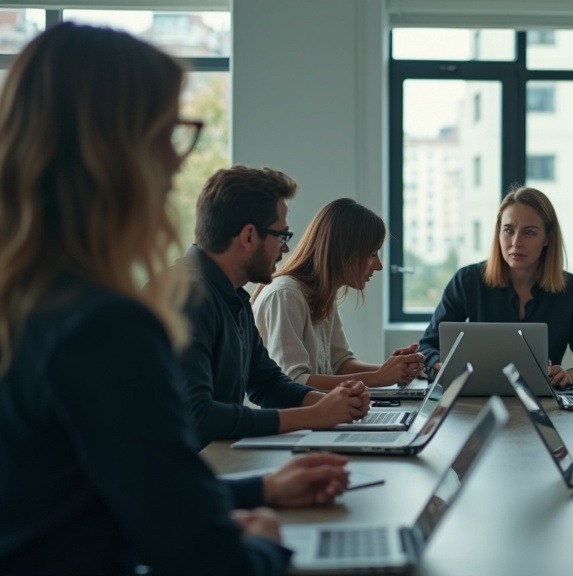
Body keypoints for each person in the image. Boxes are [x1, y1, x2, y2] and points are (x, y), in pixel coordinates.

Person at [0, 23, 351, 575]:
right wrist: (264, 539)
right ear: (111, 154)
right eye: (168, 133)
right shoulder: (105, 324)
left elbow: (96, 505)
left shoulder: (30, 301)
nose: (177, 160)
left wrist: (259, 489)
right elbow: (206, 558)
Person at [175, 166, 370, 448]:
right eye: (282, 236)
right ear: (249, 236)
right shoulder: (188, 297)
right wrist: (312, 416)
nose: (286, 248)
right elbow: (199, 415)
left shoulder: (234, 296)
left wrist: (333, 403)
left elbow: (267, 383)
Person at [419, 186, 573, 386]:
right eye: (508, 230)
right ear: (498, 232)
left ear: (547, 238)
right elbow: (427, 347)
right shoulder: (468, 280)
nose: (516, 242)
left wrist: (569, 376)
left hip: (545, 404)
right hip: (473, 400)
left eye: (529, 233)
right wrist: (438, 365)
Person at [252, 198, 425, 389]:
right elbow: (293, 381)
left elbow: (340, 364)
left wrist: (390, 370)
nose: (379, 266)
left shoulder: (321, 293)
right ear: (343, 251)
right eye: (372, 254)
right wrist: (378, 378)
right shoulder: (286, 295)